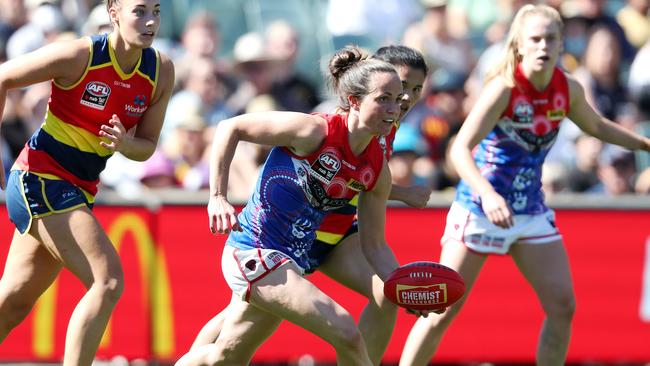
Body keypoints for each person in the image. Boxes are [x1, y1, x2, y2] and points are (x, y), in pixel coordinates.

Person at [399, 4, 650, 366]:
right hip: (480, 208)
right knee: (442, 309)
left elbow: (597, 126)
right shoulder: (504, 87)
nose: (543, 46)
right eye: (535, 39)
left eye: (551, 38)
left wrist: (643, 144)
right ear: (519, 44)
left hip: (529, 209)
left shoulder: (568, 88)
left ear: (562, 42)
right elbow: (459, 150)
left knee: (562, 306)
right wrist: (487, 194)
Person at [175, 46, 430, 366]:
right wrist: (218, 197)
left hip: (291, 259)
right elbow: (230, 127)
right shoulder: (314, 130)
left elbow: (375, 245)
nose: (397, 106)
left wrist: (402, 289)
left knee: (224, 358)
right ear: (354, 100)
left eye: (402, 96)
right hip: (254, 250)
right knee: (345, 330)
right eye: (385, 98)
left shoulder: (377, 167)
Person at [0, 0, 174, 364]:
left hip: (78, 188)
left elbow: (147, 147)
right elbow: (4, 77)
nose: (151, 21)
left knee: (13, 303)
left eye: (156, 11)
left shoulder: (160, 70)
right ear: (113, 12)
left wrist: (126, 143)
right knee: (107, 280)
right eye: (139, 11)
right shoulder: (80, 55)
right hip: (40, 178)